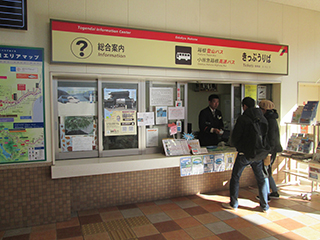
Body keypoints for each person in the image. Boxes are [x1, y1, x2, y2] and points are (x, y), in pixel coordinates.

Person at [222, 97, 270, 212]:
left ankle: (234, 203)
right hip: (258, 154)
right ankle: (264, 206)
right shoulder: (262, 118)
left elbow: (236, 137)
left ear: (244, 106)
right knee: (261, 179)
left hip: (245, 154)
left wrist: (239, 147)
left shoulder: (243, 119)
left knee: (235, 177)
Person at [258, 100, 283, 199]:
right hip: (272, 149)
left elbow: (270, 137)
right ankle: (274, 191)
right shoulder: (272, 119)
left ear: (264, 109)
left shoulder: (268, 120)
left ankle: (266, 194)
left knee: (264, 171)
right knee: (267, 170)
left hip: (269, 150)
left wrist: (267, 150)